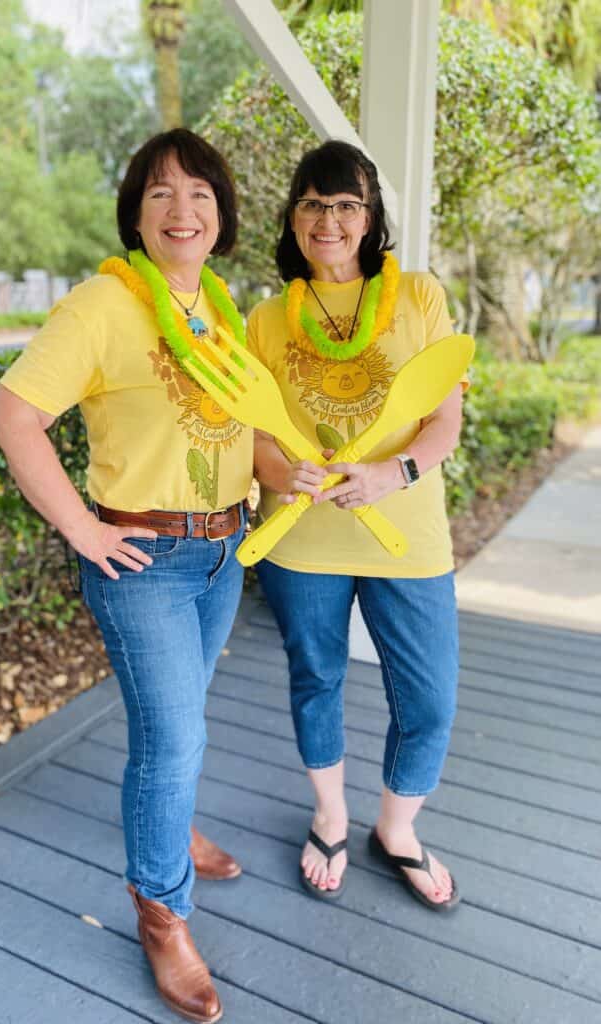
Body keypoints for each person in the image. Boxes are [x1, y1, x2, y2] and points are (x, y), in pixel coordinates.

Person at [0, 128, 254, 1023]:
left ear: (221, 216)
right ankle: (161, 913)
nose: (183, 211)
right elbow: (12, 413)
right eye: (161, 195)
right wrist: (82, 529)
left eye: (200, 195)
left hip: (223, 551)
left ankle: (170, 829)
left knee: (186, 718)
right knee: (171, 740)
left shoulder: (223, 308)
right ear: (136, 215)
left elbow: (245, 430)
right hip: (143, 561)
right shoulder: (101, 304)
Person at [248, 140, 466, 911]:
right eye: (313, 203)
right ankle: (330, 815)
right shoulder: (267, 319)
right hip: (302, 537)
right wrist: (282, 474)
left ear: (370, 218)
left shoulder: (420, 298)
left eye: (346, 204)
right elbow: (256, 435)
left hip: (406, 533)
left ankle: (397, 829)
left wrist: (390, 473)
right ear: (293, 218)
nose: (329, 219)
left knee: (430, 694)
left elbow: (445, 419)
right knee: (317, 676)